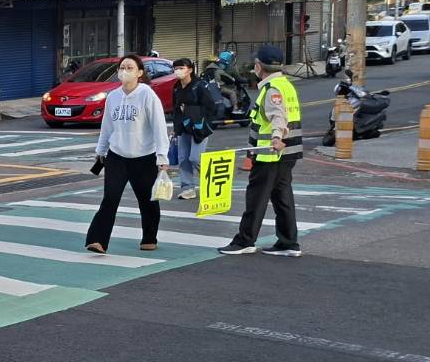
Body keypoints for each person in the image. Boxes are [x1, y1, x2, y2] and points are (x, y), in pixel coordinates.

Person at [219, 45, 302, 257]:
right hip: (287, 153)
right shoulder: (286, 85)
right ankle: (288, 242)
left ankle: (245, 240)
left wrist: (276, 138)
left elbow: (278, 117)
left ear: (258, 66)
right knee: (282, 197)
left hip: (270, 154)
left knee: (256, 198)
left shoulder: (272, 89)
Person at [85, 55, 170, 254]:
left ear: (139, 73)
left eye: (129, 67)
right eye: (122, 67)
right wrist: (101, 151)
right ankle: (97, 240)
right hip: (117, 156)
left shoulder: (147, 95)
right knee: (110, 198)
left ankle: (149, 237)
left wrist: (162, 157)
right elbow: (107, 126)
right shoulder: (113, 96)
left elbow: (159, 127)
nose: (124, 71)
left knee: (147, 200)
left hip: (144, 156)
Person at [169, 57, 220, 200]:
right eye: (176, 68)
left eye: (181, 68)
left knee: (195, 158)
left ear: (190, 70)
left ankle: (213, 181)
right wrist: (175, 127)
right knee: (183, 158)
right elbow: (176, 109)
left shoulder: (199, 86)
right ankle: (187, 188)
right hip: (183, 127)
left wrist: (190, 110)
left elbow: (211, 107)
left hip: (199, 128)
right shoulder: (176, 87)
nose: (178, 71)